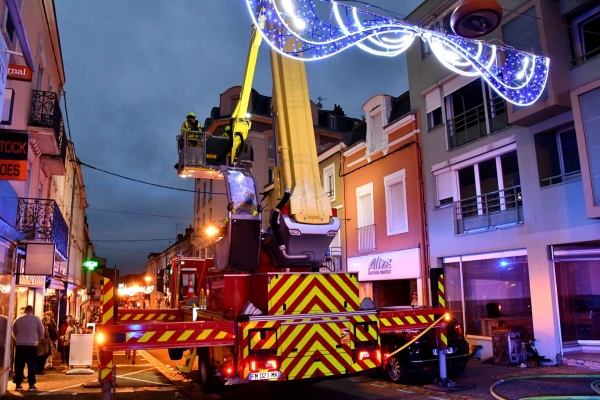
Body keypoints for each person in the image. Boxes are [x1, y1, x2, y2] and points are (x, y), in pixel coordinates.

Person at [12, 305, 44, 391]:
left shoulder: (18, 319)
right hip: (32, 345)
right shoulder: (36, 319)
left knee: (19, 365)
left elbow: (13, 331)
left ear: (25, 310)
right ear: (32, 310)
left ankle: (18, 384)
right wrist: (36, 339)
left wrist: (18, 339)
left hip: (20, 345)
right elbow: (41, 332)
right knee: (32, 365)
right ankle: (31, 385)